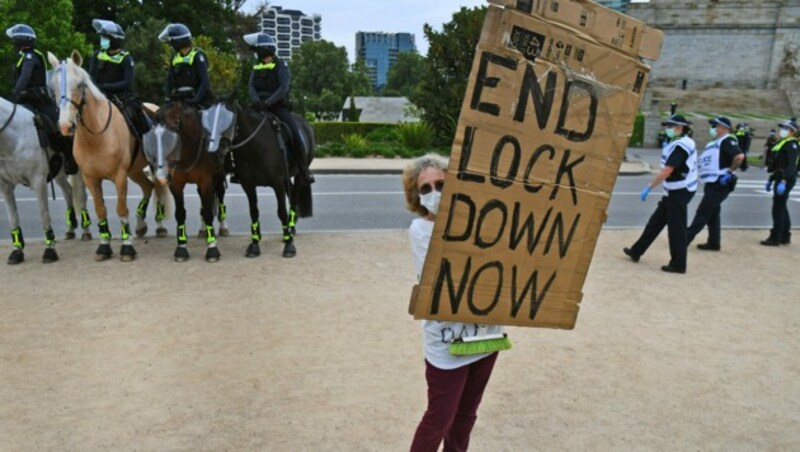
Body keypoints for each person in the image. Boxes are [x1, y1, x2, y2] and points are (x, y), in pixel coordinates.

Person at [403, 153, 505, 451]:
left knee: (465, 417)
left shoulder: (484, 220)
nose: (435, 193)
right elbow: (443, 285)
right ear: (417, 197)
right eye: (426, 189)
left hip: (486, 334)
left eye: (441, 184)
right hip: (449, 340)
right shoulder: (421, 231)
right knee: (439, 419)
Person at [624, 115, 698, 273]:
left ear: (680, 128)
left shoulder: (681, 145)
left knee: (676, 229)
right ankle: (636, 251)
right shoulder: (680, 142)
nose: (667, 129)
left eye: (671, 126)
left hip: (679, 190)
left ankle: (678, 264)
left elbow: (668, 170)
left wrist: (650, 186)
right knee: (655, 223)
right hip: (675, 190)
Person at [243, 32, 313, 183]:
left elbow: (283, 88)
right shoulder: (257, 66)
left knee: (295, 134)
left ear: (264, 50)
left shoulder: (281, 65)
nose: (255, 54)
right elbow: (251, 87)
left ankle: (304, 170)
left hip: (277, 107)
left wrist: (268, 103)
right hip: (259, 107)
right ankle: (241, 169)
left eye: (257, 50)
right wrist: (257, 101)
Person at [6, 23, 74, 173]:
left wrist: (16, 92)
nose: (13, 43)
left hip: (39, 100)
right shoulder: (22, 56)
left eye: (15, 40)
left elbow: (25, 77)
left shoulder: (31, 56)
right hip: (24, 100)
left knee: (58, 126)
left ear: (22, 40)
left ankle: (70, 158)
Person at [686, 117, 744, 251]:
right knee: (713, 213)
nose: (712, 129)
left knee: (703, 212)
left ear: (724, 128)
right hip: (713, 182)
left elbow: (739, 156)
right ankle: (714, 242)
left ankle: (685, 239)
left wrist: (729, 172)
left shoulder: (727, 140)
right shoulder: (716, 142)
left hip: (720, 182)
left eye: (715, 126)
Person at [87, 19, 150, 139]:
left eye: (105, 38)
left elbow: (127, 82)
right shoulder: (97, 55)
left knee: (136, 111)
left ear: (114, 40)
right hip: (98, 95)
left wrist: (105, 87)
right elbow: (91, 76)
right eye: (102, 38)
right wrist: (97, 88)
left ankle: (143, 139)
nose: (102, 40)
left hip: (121, 97)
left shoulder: (126, 59)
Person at [761, 118, 799, 246]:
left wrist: (783, 180)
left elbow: (791, 165)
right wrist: (771, 179)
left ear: (793, 131)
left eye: (785, 128)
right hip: (780, 177)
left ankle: (775, 237)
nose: (782, 130)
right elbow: (778, 164)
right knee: (781, 206)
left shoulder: (792, 145)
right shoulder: (784, 143)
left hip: (786, 179)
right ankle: (784, 235)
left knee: (777, 207)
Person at [158, 23, 212, 109]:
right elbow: (168, 82)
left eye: (171, 42)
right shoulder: (175, 58)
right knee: (160, 116)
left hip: (197, 100)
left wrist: (195, 100)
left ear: (177, 42)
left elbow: (204, 81)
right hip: (179, 99)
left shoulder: (197, 56)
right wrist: (167, 99)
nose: (170, 45)